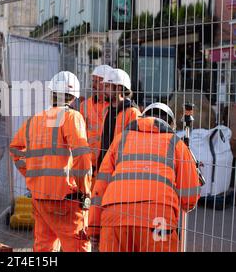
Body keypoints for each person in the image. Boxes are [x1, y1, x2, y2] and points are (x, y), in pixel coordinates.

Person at [87, 103, 201, 252]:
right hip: (158, 219)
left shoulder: (121, 140)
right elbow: (189, 196)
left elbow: (100, 186)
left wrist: (94, 228)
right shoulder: (176, 144)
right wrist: (186, 205)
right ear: (170, 125)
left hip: (114, 217)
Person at [10, 71, 93, 252]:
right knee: (77, 246)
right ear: (73, 98)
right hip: (66, 199)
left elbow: (15, 150)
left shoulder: (34, 120)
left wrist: (32, 174)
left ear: (52, 94)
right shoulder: (72, 117)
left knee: (43, 248)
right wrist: (84, 191)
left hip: (39, 197)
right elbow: (82, 155)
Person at [97, 68, 141, 173]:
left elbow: (135, 145)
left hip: (120, 169)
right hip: (104, 167)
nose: (104, 90)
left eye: (107, 86)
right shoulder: (107, 110)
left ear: (119, 88)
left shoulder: (132, 112)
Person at [80, 65, 113, 185]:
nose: (93, 85)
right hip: (90, 165)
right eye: (93, 81)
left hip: (110, 162)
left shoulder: (115, 106)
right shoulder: (84, 106)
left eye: (98, 82)